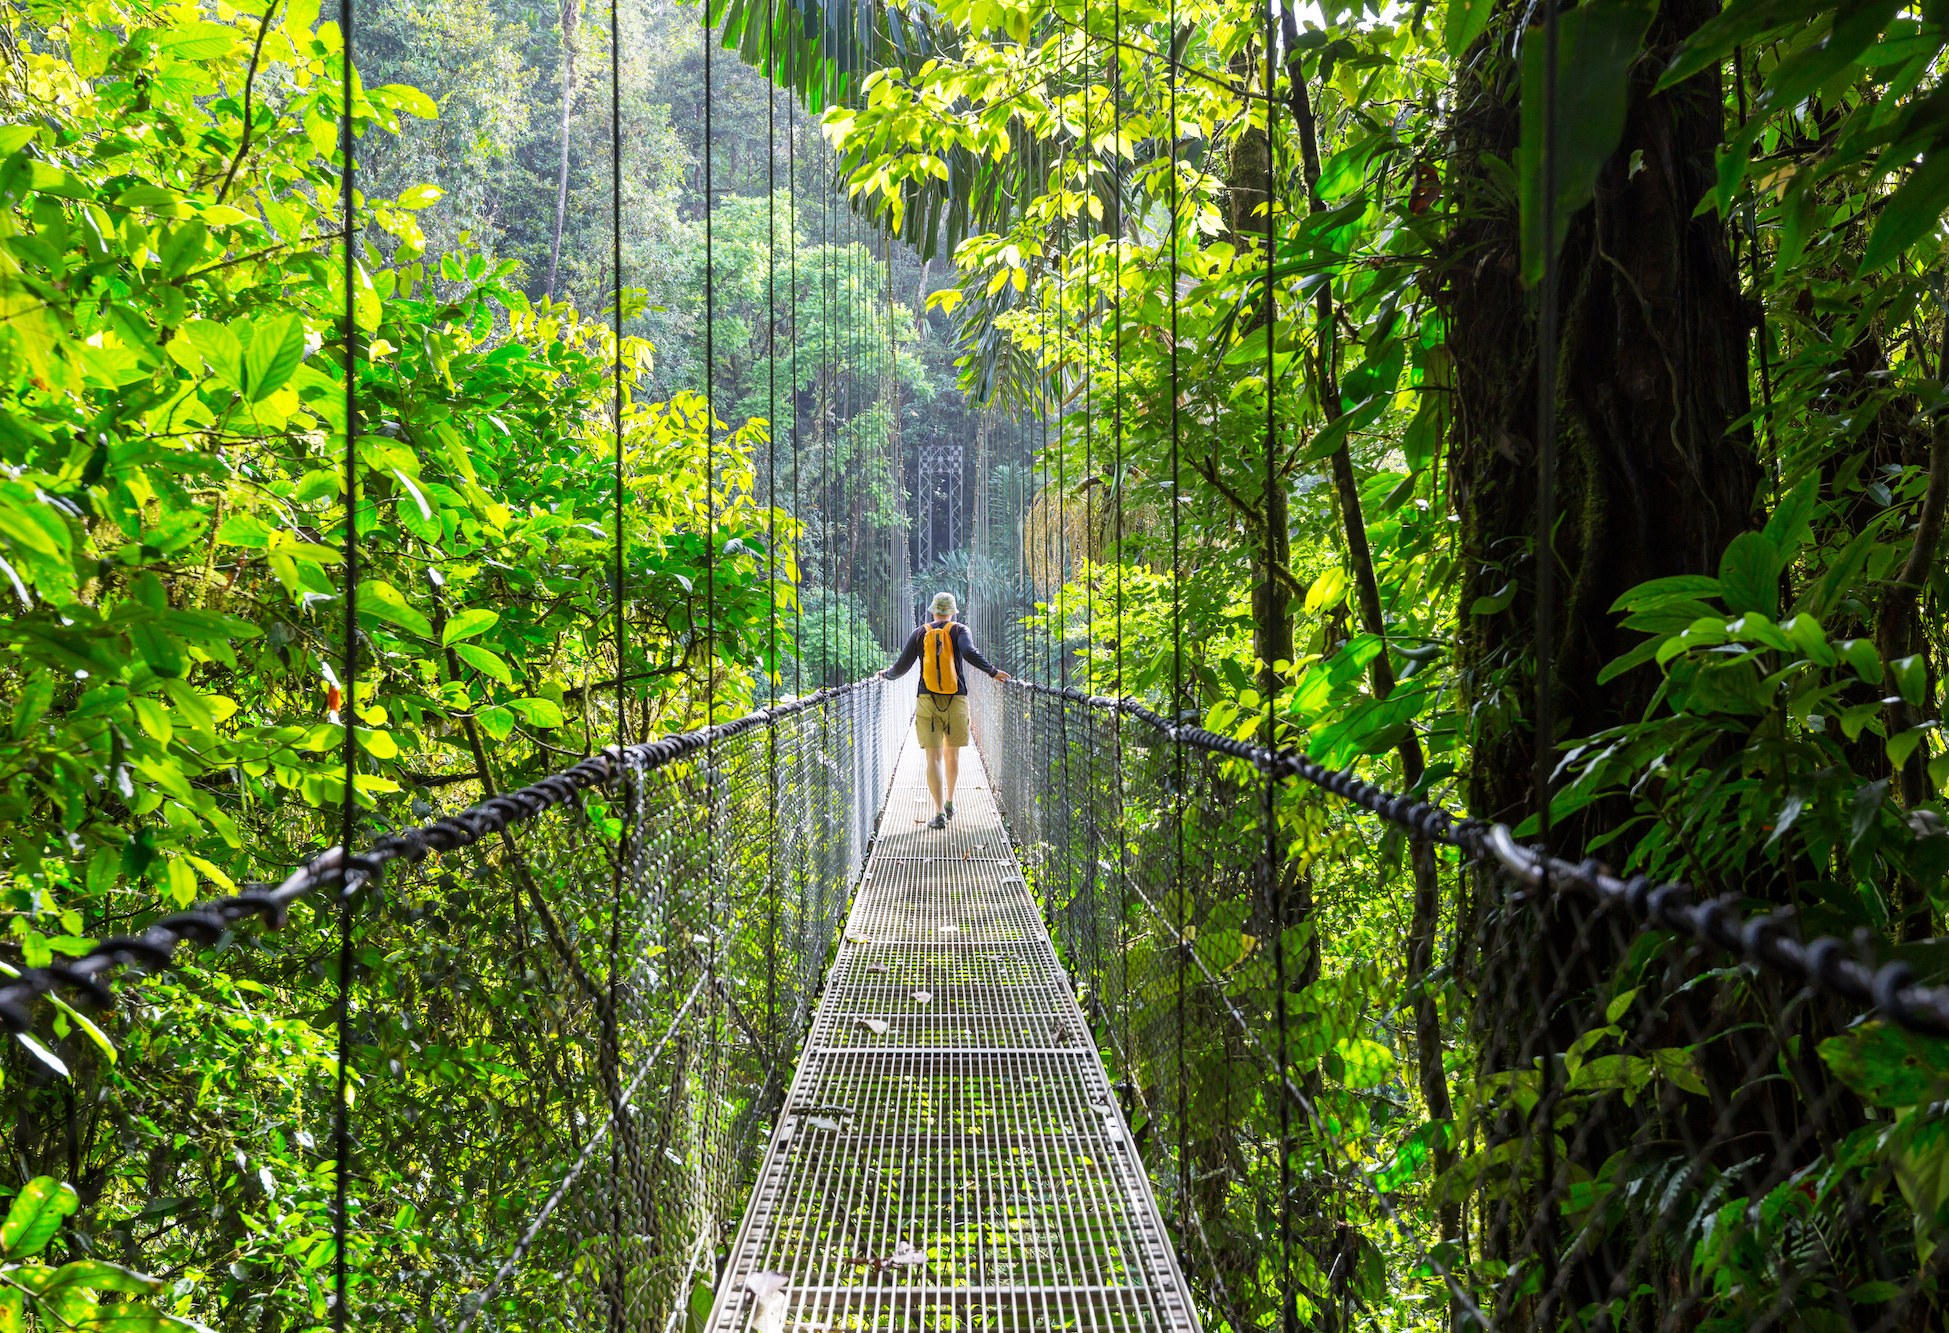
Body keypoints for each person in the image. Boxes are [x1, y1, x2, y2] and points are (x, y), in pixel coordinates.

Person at [881, 592, 1010, 829]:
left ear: (932, 611)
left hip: (927, 699)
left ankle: (939, 812)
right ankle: (950, 802)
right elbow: (969, 653)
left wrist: (886, 675)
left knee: (933, 758)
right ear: (953, 612)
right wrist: (992, 672)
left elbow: (902, 666)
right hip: (956, 699)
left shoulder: (920, 633)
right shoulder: (960, 630)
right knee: (953, 755)